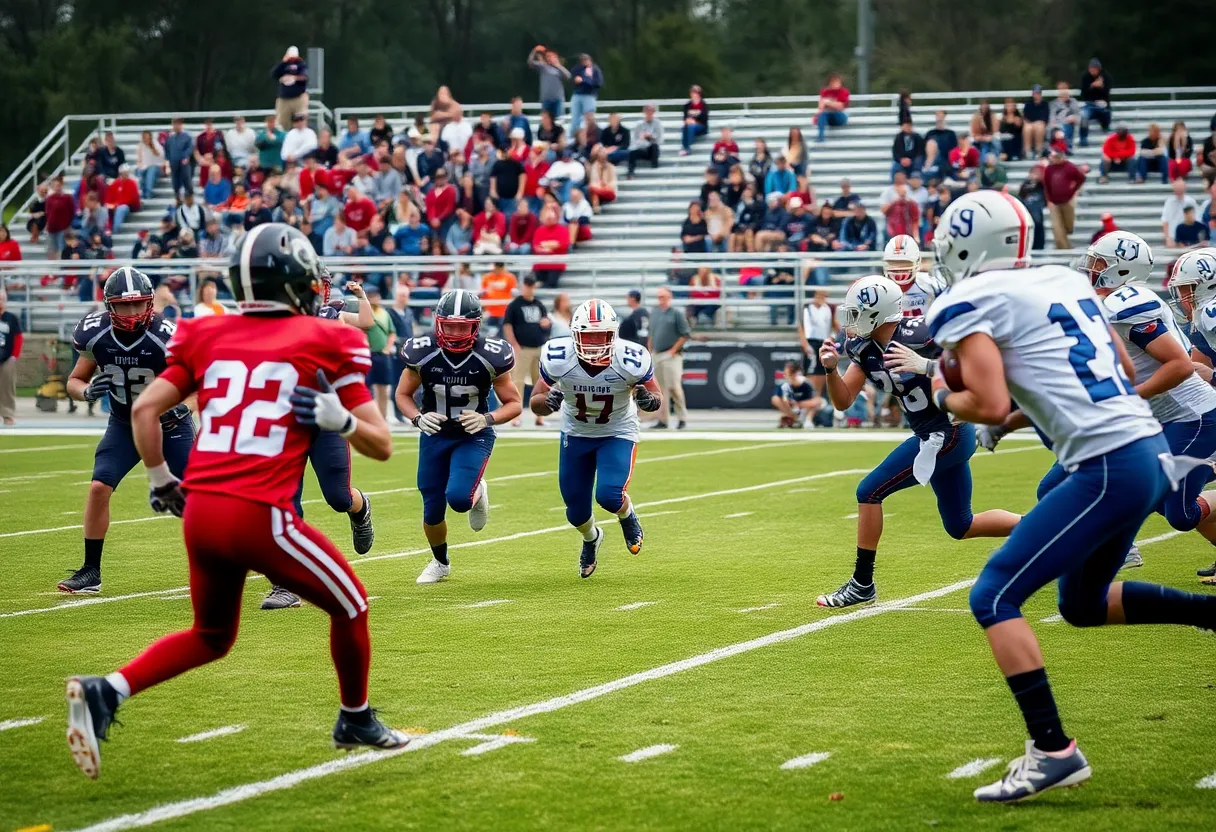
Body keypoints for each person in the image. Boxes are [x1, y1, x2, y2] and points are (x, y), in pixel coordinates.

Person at [64, 228, 408, 781]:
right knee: (352, 606)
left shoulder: (205, 332)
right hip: (257, 513)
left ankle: (107, 691)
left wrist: (160, 480)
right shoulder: (330, 336)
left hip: (200, 511)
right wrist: (339, 419)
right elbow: (382, 445)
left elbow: (145, 409)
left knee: (211, 636)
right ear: (298, 282)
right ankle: (355, 719)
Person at [926, 191, 1216, 803]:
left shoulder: (965, 299)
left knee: (993, 594)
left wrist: (941, 392)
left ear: (964, 246)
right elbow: (1116, 373)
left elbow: (987, 401)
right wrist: (1017, 416)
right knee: (1082, 604)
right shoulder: (1063, 280)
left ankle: (1053, 750)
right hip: (1145, 451)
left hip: (1106, 466)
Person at [814, 274, 1021, 610]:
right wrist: (830, 370)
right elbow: (843, 401)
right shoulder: (863, 347)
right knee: (961, 525)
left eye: (856, 313)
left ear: (877, 312)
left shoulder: (924, 335)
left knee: (869, 491)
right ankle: (1049, 529)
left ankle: (862, 583)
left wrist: (927, 366)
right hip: (931, 435)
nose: (850, 322)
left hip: (948, 433)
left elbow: (981, 367)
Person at [56, 269, 197, 595]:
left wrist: (182, 408)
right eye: (123, 305)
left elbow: (198, 387)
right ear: (109, 305)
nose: (132, 312)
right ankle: (91, 570)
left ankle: (218, 565)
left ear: (150, 302)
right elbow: (75, 381)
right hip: (124, 425)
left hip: (170, 427)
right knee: (98, 487)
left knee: (196, 500)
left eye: (138, 304)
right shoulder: (95, 334)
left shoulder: (168, 337)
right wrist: (87, 392)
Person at [1083, 233, 1216, 561]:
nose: (1090, 268)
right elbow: (1195, 366)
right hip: (1169, 415)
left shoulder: (1130, 305)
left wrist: (1129, 396)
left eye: (1099, 263)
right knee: (1156, 497)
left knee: (1179, 513)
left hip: (1191, 415)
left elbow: (1181, 367)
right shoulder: (1110, 306)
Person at [395, 290, 521, 584]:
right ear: (438, 323)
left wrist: (487, 418)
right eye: (449, 326)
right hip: (435, 434)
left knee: (459, 499)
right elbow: (402, 394)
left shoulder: (490, 355)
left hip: (473, 434)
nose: (454, 333)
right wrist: (417, 418)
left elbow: (514, 403)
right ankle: (440, 562)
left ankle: (478, 491)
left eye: (461, 327)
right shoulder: (423, 352)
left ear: (476, 326)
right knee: (432, 507)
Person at [529, 300, 662, 577]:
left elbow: (656, 397)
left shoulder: (631, 358)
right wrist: (548, 402)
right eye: (588, 336)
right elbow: (535, 402)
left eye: (602, 335)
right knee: (575, 512)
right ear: (574, 334)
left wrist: (647, 400)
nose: (595, 343)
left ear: (614, 334)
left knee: (609, 496)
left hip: (617, 431)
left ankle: (627, 515)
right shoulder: (557, 356)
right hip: (576, 433)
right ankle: (592, 539)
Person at [502, 276, 551, 424]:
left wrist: (546, 324)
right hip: (522, 348)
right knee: (518, 382)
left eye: (531, 285)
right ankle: (515, 416)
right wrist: (514, 344)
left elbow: (546, 322)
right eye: (527, 285)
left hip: (538, 347)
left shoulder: (539, 304)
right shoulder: (515, 305)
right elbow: (507, 325)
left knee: (540, 383)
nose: (529, 288)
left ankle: (540, 416)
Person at [647, 286, 690, 430]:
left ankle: (682, 418)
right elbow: (651, 334)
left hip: (672, 355)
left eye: (663, 297)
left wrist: (673, 350)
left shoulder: (676, 313)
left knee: (674, 387)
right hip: (657, 354)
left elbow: (685, 334)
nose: (661, 300)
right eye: (659, 297)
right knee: (660, 389)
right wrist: (650, 351)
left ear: (669, 297)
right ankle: (663, 419)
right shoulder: (655, 313)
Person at [1043, 148, 1086, 249]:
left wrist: (1074, 190)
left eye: (1055, 157)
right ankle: (1064, 247)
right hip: (1053, 202)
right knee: (1056, 226)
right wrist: (1048, 200)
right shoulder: (1049, 169)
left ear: (1061, 157)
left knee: (1068, 224)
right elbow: (1046, 185)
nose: (1053, 159)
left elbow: (1081, 178)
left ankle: (1065, 240)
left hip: (1068, 199)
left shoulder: (1070, 167)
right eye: (1052, 157)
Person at [798, 289, 835, 397]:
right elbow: (801, 327)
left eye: (824, 296)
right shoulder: (807, 308)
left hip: (823, 341)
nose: (821, 299)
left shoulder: (828, 309)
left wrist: (831, 339)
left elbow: (832, 325)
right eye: (819, 296)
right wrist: (805, 343)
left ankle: (817, 396)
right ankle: (808, 396)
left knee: (821, 371)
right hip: (811, 341)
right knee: (810, 370)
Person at [771, 360, 822, 428]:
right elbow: (783, 399)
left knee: (818, 402)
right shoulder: (785, 386)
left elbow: (815, 400)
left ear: (794, 373)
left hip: (805, 409)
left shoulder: (805, 383)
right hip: (792, 410)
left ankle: (808, 420)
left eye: (787, 374)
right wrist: (791, 407)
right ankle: (794, 419)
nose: (785, 376)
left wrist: (799, 404)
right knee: (775, 399)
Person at [272, 46, 309, 130]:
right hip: (284, 98)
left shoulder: (301, 64)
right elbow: (273, 74)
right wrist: (283, 62)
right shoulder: (283, 65)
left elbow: (304, 77)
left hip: (298, 97)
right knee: (282, 124)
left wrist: (294, 78)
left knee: (300, 121)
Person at [527, 45, 570, 118]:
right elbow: (530, 62)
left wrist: (558, 66)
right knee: (546, 120)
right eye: (547, 56)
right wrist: (534, 50)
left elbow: (568, 76)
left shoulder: (560, 69)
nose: (549, 58)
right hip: (546, 99)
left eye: (551, 56)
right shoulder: (543, 66)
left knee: (559, 120)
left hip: (558, 99)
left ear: (556, 57)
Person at [1079, 58, 1113, 147]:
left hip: (1103, 104)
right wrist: (1092, 86)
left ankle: (1106, 128)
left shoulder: (1106, 76)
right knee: (1084, 116)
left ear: (1098, 69)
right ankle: (1083, 139)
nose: (1092, 71)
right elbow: (1083, 94)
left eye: (1094, 69)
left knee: (1106, 112)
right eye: (1090, 69)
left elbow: (1107, 93)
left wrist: (1101, 86)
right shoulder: (1085, 77)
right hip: (1090, 104)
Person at [0, 287, 21, 425]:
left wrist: (14, 356)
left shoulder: (11, 318)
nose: (0, 302)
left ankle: (7, 414)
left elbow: (18, 338)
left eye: (2, 299)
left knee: (7, 387)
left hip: (7, 358)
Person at [1160, 177, 1198, 248]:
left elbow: (1196, 221)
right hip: (1173, 239)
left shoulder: (1191, 202)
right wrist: (1168, 239)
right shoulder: (1169, 202)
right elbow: (1165, 221)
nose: (1179, 191)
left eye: (1181, 189)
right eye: (1177, 189)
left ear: (1184, 189)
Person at [569, 53, 603, 135]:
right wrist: (575, 80)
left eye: (586, 60)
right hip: (577, 94)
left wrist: (583, 80)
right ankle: (574, 137)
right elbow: (571, 80)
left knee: (589, 117)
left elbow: (598, 83)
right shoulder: (577, 69)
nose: (585, 62)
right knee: (575, 118)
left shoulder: (595, 69)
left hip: (589, 95)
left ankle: (592, 136)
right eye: (582, 60)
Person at [627, 104, 663, 176]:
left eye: (651, 111)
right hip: (642, 148)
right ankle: (630, 172)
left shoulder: (658, 124)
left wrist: (651, 136)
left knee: (654, 146)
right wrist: (642, 138)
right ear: (644, 112)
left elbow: (660, 140)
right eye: (647, 111)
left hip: (652, 149)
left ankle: (654, 168)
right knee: (632, 153)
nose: (649, 113)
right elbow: (635, 140)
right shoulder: (639, 125)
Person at [814, 72, 849, 143]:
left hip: (839, 116)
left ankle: (821, 138)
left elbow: (841, 107)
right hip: (828, 116)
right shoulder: (825, 92)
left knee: (828, 113)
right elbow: (821, 107)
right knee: (822, 114)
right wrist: (829, 104)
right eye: (834, 82)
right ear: (830, 83)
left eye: (837, 82)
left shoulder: (843, 91)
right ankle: (820, 138)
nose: (836, 84)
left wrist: (827, 102)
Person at [1048, 82, 1081, 150]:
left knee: (1069, 123)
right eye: (1061, 89)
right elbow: (1051, 120)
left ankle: (1067, 147)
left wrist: (1074, 118)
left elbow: (1079, 116)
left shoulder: (1073, 102)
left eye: (1065, 89)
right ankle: (1065, 147)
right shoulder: (1053, 104)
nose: (1063, 92)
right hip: (1057, 128)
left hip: (1070, 126)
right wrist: (1058, 129)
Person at [135, 131, 165, 200]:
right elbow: (139, 161)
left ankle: (148, 194)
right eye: (144, 137)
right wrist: (140, 166)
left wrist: (152, 147)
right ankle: (141, 194)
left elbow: (161, 158)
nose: (145, 139)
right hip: (145, 167)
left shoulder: (156, 144)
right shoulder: (140, 146)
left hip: (156, 167)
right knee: (138, 171)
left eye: (147, 137)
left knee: (151, 169)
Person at [680, 85, 709, 156]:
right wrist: (689, 120)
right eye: (693, 92)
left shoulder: (703, 105)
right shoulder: (687, 105)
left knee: (691, 126)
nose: (694, 94)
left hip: (701, 127)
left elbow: (705, 119)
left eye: (696, 93)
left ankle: (687, 148)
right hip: (689, 125)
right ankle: (686, 148)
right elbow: (685, 118)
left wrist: (695, 121)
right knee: (686, 127)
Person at [1022, 85, 1050, 159]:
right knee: (1027, 128)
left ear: (1041, 94)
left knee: (1040, 127)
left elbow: (1045, 118)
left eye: (1038, 93)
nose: (1036, 95)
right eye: (1035, 93)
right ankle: (1027, 151)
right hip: (1030, 124)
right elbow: (1025, 117)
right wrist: (1031, 124)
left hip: (1040, 124)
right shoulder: (1028, 104)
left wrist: (1035, 123)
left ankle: (1039, 150)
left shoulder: (1045, 104)